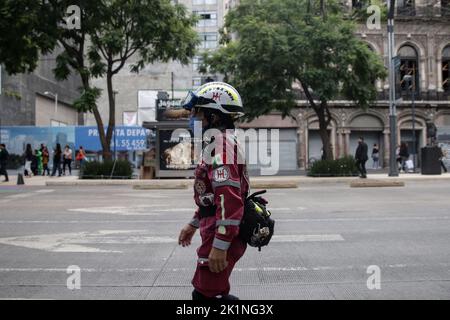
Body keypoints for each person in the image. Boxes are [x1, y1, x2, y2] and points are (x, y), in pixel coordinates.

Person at [178, 82, 249, 300]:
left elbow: (229, 199)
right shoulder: (216, 144)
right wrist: (194, 222)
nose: (193, 119)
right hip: (213, 229)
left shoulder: (220, 145)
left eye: (198, 114)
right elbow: (211, 197)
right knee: (210, 293)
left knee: (205, 296)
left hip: (221, 234)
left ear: (214, 117)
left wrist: (220, 245)